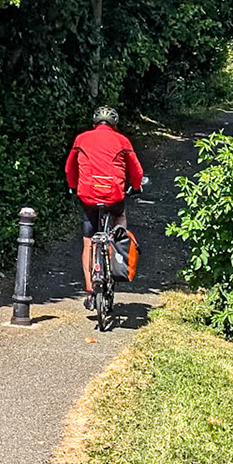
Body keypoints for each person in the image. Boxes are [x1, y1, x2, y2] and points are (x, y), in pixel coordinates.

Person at [64, 105, 145, 311]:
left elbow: (69, 168)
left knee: (88, 241)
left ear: (94, 123)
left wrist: (73, 187)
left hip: (88, 195)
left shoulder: (81, 139)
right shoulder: (122, 141)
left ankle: (90, 290)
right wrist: (135, 187)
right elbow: (136, 170)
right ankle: (118, 239)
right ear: (114, 125)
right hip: (114, 194)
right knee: (120, 215)